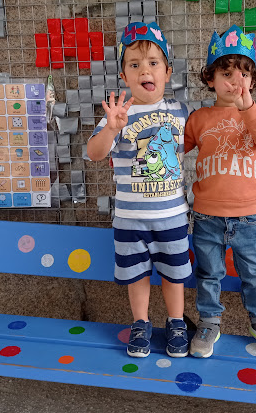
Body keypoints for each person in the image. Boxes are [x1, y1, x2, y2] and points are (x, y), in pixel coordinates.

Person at [88, 22, 191, 358]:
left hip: (172, 216)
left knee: (174, 275)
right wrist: (111, 129)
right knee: (137, 276)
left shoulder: (181, 111)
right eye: (134, 64)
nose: (144, 70)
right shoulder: (119, 114)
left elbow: (199, 145)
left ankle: (176, 322)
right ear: (124, 76)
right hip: (130, 219)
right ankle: (141, 323)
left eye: (153, 63)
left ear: (167, 72)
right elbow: (94, 153)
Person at [184, 24, 256, 358]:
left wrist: (249, 108)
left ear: (253, 81)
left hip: (247, 216)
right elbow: (174, 150)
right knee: (208, 273)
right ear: (211, 79)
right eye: (226, 73)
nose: (235, 81)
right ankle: (209, 321)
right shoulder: (198, 118)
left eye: (244, 74)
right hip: (206, 214)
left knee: (253, 273)